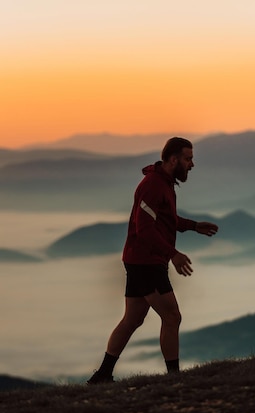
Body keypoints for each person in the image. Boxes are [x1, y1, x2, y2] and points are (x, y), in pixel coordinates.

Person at [87, 137, 219, 384]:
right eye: (188, 159)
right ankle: (174, 379)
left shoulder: (165, 183)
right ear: (173, 159)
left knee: (133, 319)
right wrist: (174, 254)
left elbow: (164, 219)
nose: (192, 164)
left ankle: (102, 375)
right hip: (146, 263)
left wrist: (193, 226)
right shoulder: (153, 185)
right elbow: (144, 229)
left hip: (141, 260)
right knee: (172, 317)